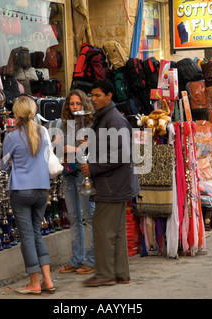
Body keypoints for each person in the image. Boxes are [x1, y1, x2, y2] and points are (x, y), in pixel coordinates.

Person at [80, 79, 140, 287]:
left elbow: (121, 154)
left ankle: (105, 273)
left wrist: (93, 168)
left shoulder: (113, 119)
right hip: (114, 184)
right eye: (92, 95)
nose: (93, 99)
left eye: (97, 95)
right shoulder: (106, 118)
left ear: (109, 96)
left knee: (103, 228)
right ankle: (121, 273)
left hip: (113, 185)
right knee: (116, 230)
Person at [1, 96, 55, 295]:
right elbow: (47, 157)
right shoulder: (43, 131)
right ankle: (48, 280)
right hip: (41, 189)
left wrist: (13, 164)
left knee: (27, 237)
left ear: (17, 114)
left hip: (21, 191)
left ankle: (34, 282)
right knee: (36, 234)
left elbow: (3, 164)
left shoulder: (12, 137)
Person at [56, 89, 96, 275]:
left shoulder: (89, 122)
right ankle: (76, 259)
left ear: (84, 104)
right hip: (67, 172)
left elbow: (93, 147)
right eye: (72, 104)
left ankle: (92, 259)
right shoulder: (62, 124)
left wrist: (76, 148)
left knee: (89, 217)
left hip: (84, 172)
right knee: (73, 217)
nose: (74, 107)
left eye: (78, 104)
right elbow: (57, 148)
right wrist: (61, 148)